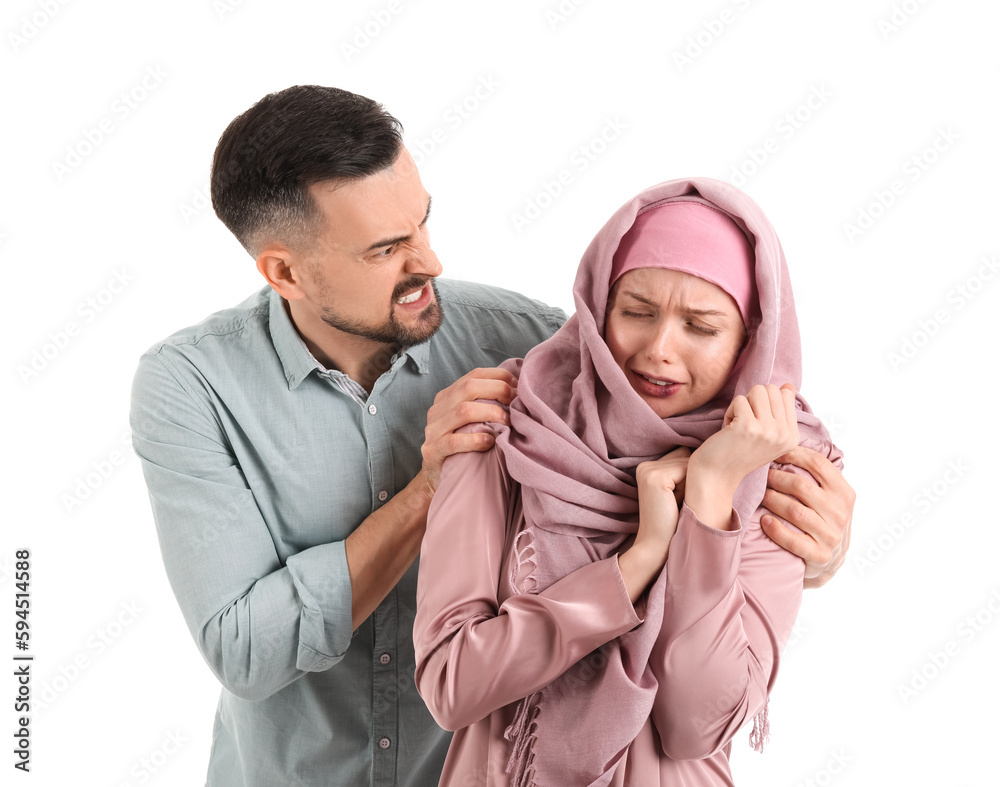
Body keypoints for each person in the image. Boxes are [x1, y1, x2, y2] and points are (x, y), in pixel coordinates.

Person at [129, 84, 854, 787]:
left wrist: (811, 547)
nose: (430, 263)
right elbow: (246, 650)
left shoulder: (537, 353)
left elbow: (684, 463)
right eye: (386, 249)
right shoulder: (192, 386)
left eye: (423, 223)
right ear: (283, 271)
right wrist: (429, 488)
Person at [413, 179, 845, 786]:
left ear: (749, 339)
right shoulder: (509, 426)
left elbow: (697, 724)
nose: (659, 349)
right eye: (636, 312)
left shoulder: (778, 465)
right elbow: (451, 684)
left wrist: (711, 499)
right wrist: (635, 565)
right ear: (598, 309)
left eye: (701, 327)